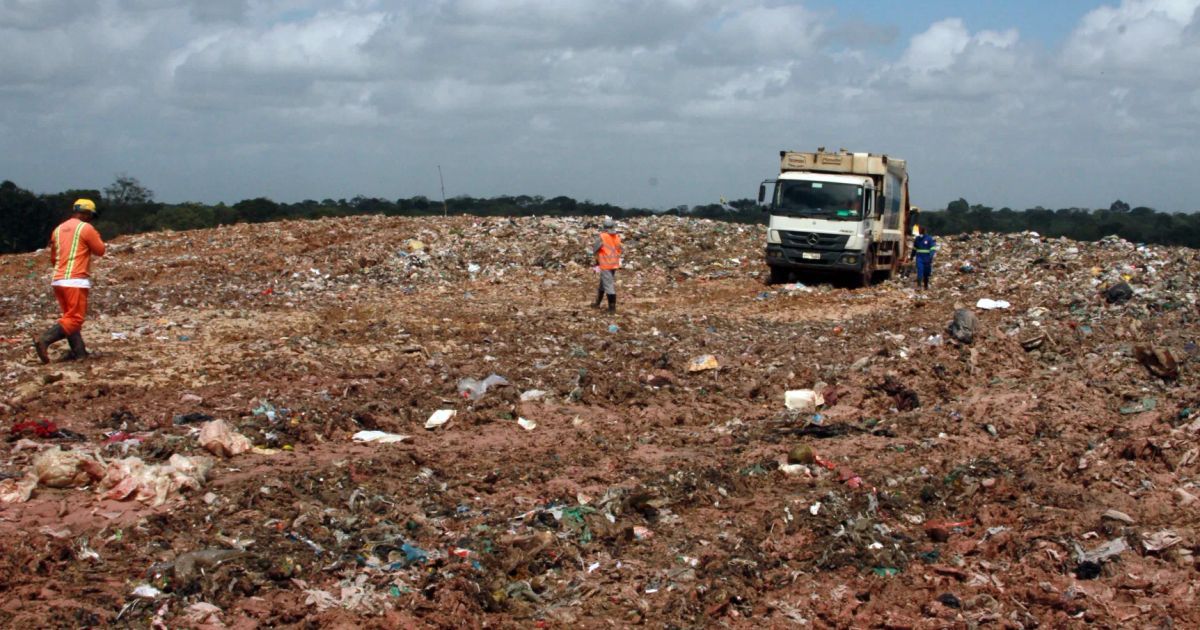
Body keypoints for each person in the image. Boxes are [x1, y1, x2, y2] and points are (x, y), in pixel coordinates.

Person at [32, 198, 106, 363]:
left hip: (58, 279)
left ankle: (80, 353)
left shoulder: (58, 229)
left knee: (69, 317)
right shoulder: (85, 228)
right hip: (75, 279)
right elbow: (100, 250)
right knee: (75, 319)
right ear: (87, 214)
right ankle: (45, 339)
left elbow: (53, 257)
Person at [590, 217, 622, 313]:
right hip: (614, 263)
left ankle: (612, 308)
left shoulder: (602, 236)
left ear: (604, 226)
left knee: (608, 286)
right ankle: (597, 303)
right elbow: (619, 250)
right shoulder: (617, 237)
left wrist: (596, 260)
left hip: (605, 263)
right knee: (603, 284)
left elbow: (595, 249)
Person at [912, 225, 937, 290]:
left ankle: (926, 285)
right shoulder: (917, 239)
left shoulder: (929, 238)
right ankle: (919, 285)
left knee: (926, 272)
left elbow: (932, 248)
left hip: (927, 258)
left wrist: (931, 256)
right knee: (920, 270)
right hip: (919, 257)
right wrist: (912, 256)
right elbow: (914, 248)